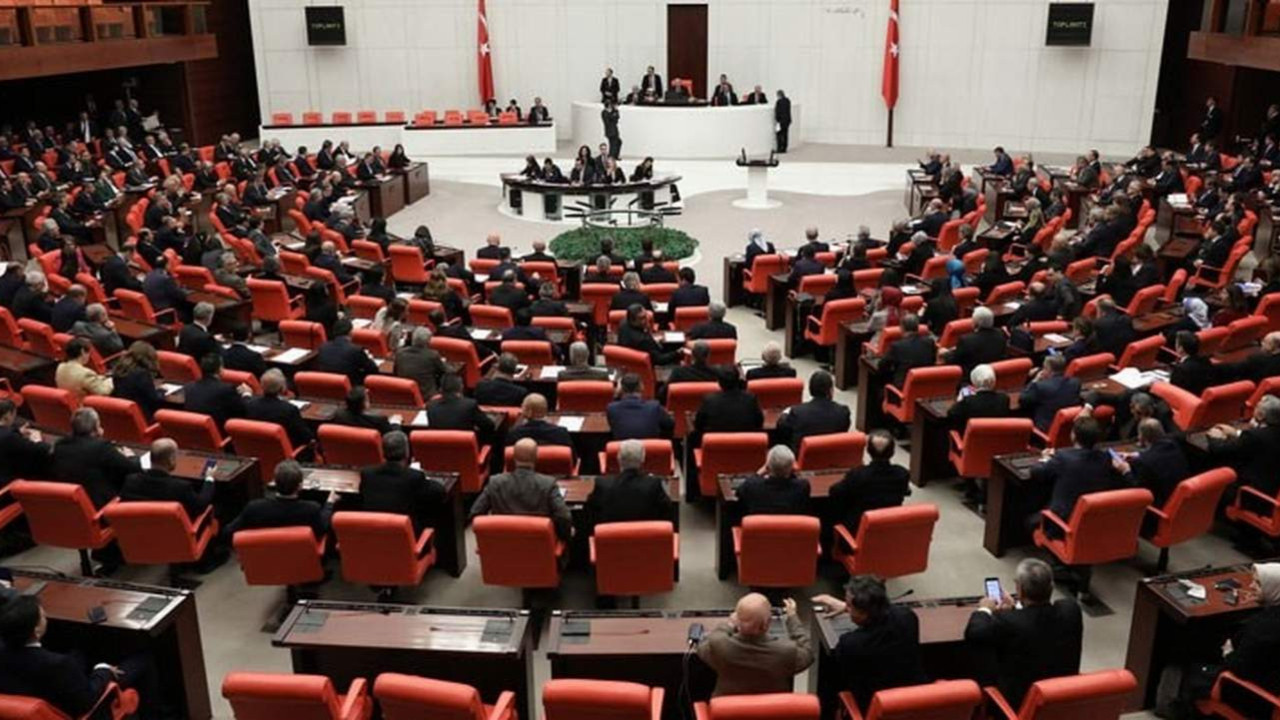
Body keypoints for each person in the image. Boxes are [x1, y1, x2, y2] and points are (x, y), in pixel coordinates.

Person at [0, 594, 161, 719]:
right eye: (43, 616)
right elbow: (88, 700)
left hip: (39, 699)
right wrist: (103, 669)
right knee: (143, 658)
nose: (46, 617)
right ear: (36, 631)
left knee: (81, 650)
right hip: (84, 711)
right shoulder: (57, 665)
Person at [964, 558, 1083, 709]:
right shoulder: (1071, 611)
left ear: (1019, 589)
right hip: (1063, 700)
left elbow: (975, 632)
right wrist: (1017, 608)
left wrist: (985, 608)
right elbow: (1036, 620)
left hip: (1021, 705)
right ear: (1051, 587)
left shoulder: (1008, 621)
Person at [811, 577, 928, 713]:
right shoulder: (908, 617)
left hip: (875, 709)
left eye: (849, 606)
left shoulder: (851, 644)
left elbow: (841, 673)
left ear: (864, 613)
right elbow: (889, 610)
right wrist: (847, 607)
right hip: (917, 704)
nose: (847, 608)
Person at [695, 593, 813, 696]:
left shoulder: (720, 647)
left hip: (729, 711)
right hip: (772, 711)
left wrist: (728, 625)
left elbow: (702, 646)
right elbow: (807, 653)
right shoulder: (785, 652)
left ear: (737, 620)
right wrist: (792, 618)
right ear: (767, 624)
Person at [469, 438, 572, 541]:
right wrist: (565, 535)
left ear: (513, 457)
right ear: (536, 457)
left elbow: (475, 513)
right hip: (538, 544)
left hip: (502, 543)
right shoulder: (548, 484)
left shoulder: (495, 482)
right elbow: (564, 517)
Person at [1030, 415, 1117, 533]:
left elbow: (1036, 472)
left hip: (1062, 522)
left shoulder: (1063, 457)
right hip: (1091, 520)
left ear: (1073, 436)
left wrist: (1045, 459)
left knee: (1028, 521)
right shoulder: (1106, 458)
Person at [52, 407, 140, 511]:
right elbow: (131, 468)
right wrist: (130, 456)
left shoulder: (60, 446)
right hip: (102, 508)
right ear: (95, 429)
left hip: (72, 507)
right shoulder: (101, 447)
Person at [359, 431, 446, 535]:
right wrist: (425, 478)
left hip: (374, 534)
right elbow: (440, 491)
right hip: (406, 536)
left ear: (382, 452)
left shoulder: (367, 474)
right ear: (407, 452)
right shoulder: (414, 476)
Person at [225, 460, 337, 539]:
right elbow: (322, 529)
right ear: (300, 486)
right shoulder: (311, 509)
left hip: (264, 556)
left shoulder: (254, 508)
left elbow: (228, 531)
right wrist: (329, 503)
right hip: (301, 555)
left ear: (274, 483)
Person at [828, 430, 910, 533]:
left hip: (858, 530)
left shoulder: (857, 475)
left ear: (868, 451)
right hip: (890, 528)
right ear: (892, 452)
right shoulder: (902, 473)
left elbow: (834, 491)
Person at [121, 438, 216, 524]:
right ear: (171, 460)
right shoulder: (181, 487)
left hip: (138, 531)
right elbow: (200, 506)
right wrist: (209, 478)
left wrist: (132, 458)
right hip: (175, 534)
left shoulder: (130, 481)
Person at [1206, 395, 1280, 499]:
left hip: (1248, 492)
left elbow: (1219, 449)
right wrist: (1237, 433)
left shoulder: (1254, 436)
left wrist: (1215, 437)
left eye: (1256, 407)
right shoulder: (1266, 434)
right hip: (1271, 489)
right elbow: (1260, 440)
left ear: (1261, 415)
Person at [586, 439, 673, 526]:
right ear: (643, 459)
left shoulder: (602, 484)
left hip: (611, 534)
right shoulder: (653, 484)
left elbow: (588, 515)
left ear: (618, 458)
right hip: (645, 534)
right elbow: (667, 514)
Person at [776, 371, 851, 451]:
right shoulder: (843, 412)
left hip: (803, 457)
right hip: (832, 456)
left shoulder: (797, 412)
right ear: (831, 390)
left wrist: (784, 414)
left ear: (810, 390)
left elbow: (781, 428)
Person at [245, 369, 314, 450]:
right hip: (288, 451)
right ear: (282, 388)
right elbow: (307, 437)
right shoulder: (289, 410)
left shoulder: (250, 405)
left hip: (256, 449)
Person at [736, 445, 811, 516]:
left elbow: (739, 492)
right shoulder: (802, 486)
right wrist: (793, 471)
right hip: (791, 525)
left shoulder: (752, 486)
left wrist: (758, 473)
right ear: (792, 467)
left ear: (767, 467)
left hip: (761, 525)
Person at [693, 371, 765, 441]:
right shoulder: (750, 398)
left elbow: (699, 425)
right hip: (746, 443)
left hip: (715, 444)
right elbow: (759, 423)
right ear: (738, 381)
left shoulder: (709, 400)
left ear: (720, 383)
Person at [184, 352, 249, 429]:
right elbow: (242, 412)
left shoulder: (189, 387)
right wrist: (246, 395)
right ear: (220, 369)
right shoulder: (227, 389)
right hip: (220, 431)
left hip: (195, 431)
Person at [1018, 354, 1081, 432]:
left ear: (1049, 370)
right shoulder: (1075, 383)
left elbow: (1022, 399)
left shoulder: (1041, 386)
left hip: (1044, 432)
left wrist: (1035, 380)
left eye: (1044, 368)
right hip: (1068, 429)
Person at [606, 374, 674, 440]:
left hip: (622, 447)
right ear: (641, 387)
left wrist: (616, 394)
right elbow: (670, 424)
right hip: (650, 447)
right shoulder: (654, 407)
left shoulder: (612, 408)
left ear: (620, 389)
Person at [426, 373, 496, 438]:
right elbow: (489, 426)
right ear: (461, 387)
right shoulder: (470, 405)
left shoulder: (431, 406)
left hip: (439, 446)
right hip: (467, 446)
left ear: (441, 389)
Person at [0, 398, 52, 485]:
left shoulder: (9, 434)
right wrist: (40, 442)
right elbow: (35, 448)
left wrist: (18, 432)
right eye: (14, 415)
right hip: (9, 482)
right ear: (8, 415)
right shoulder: (10, 437)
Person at [944, 306, 1007, 377]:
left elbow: (954, 360)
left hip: (972, 376)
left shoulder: (966, 340)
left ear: (976, 323)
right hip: (993, 373)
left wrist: (946, 354)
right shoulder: (1000, 334)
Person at [879, 314, 937, 388]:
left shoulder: (897, 346)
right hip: (925, 385)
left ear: (902, 328)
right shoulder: (929, 342)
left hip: (903, 387)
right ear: (917, 327)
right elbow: (933, 361)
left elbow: (882, 366)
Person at [313, 319, 378, 384]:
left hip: (328, 385)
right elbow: (373, 370)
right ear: (350, 333)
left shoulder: (323, 348)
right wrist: (369, 358)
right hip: (351, 386)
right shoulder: (355, 350)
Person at [948, 364, 1011, 430]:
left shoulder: (968, 402)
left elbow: (951, 414)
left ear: (974, 381)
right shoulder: (1004, 399)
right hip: (997, 436)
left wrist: (959, 402)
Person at [393, 327, 448, 400]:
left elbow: (395, 373)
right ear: (428, 341)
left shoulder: (400, 353)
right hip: (427, 396)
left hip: (404, 394)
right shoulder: (432, 355)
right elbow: (447, 371)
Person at [506, 393, 573, 450]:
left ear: (526, 410)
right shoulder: (561, 433)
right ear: (545, 410)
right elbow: (571, 458)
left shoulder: (514, 434)